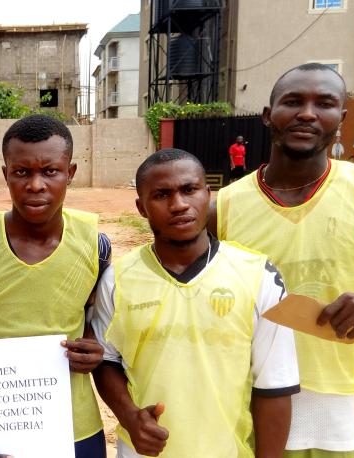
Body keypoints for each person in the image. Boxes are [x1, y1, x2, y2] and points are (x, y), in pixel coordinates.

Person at [212, 63, 354, 457]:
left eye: (324, 103)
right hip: (244, 395)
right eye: (293, 102)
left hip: (328, 402)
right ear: (269, 115)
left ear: (342, 118)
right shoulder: (224, 207)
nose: (307, 113)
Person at [93, 148, 300, 457]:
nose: (178, 205)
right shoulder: (117, 279)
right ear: (141, 207)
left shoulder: (258, 275)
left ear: (207, 193)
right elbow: (106, 360)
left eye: (189, 190)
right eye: (161, 195)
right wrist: (129, 417)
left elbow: (274, 386)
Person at [0, 114, 109, 457]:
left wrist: (92, 348)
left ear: (70, 173)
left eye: (50, 171)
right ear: (5, 174)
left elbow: (93, 325)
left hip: (76, 431)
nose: (35, 185)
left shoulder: (96, 247)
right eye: (21, 172)